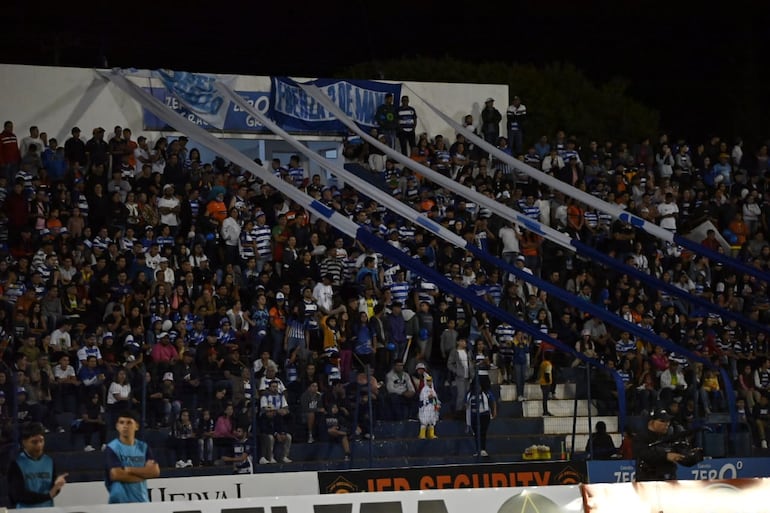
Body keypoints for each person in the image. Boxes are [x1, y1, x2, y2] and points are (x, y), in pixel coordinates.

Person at [8, 421, 68, 508]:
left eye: (41, 441)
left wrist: (57, 486)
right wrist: (48, 496)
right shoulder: (16, 464)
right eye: (34, 442)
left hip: (47, 509)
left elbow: (53, 490)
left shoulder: (49, 461)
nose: (39, 445)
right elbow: (18, 495)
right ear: (24, 442)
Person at [104, 410, 160, 503]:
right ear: (117, 426)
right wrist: (143, 475)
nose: (125, 426)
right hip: (119, 502)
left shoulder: (143, 447)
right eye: (121, 422)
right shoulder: (112, 448)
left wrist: (129, 470)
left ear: (136, 426)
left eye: (129, 422)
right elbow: (116, 474)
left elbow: (155, 472)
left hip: (141, 500)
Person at [633, 408, 686, 481]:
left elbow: (679, 452)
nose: (667, 424)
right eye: (662, 421)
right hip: (648, 479)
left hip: (669, 479)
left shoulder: (671, 435)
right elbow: (644, 453)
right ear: (651, 422)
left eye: (668, 421)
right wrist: (666, 456)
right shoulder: (641, 437)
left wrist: (688, 455)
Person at [465, 379, 497, 457]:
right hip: (475, 415)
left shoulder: (486, 393)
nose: (477, 388)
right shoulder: (469, 395)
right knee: (476, 433)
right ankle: (478, 449)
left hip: (484, 415)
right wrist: (468, 422)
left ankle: (483, 449)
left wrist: (494, 412)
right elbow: (467, 408)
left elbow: (493, 401)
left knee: (483, 432)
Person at [417, 374, 441, 439]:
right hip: (426, 407)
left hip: (432, 407)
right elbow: (422, 399)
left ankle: (431, 434)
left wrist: (437, 404)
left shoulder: (433, 390)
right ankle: (422, 435)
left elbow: (436, 399)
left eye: (430, 380)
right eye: (428, 381)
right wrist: (428, 398)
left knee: (432, 421)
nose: (429, 382)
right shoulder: (424, 390)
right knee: (424, 421)